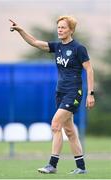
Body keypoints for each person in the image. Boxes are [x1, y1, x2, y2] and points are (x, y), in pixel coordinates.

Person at [9, 15, 95, 174]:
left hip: (73, 92)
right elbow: (34, 42)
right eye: (59, 27)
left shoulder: (78, 48)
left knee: (55, 124)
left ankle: (52, 164)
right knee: (69, 131)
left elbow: (89, 69)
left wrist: (90, 93)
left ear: (71, 30)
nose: (60, 30)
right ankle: (81, 167)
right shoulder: (57, 47)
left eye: (63, 27)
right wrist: (20, 30)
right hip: (60, 93)